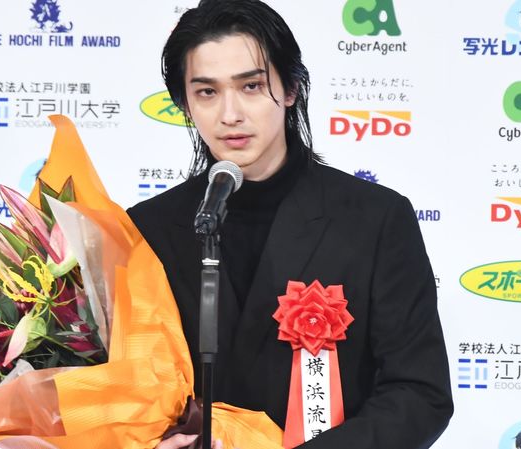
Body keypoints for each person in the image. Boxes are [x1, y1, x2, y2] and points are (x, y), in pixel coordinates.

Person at [126, 0, 453, 447]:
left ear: (292, 89)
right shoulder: (147, 229)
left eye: (251, 86)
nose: (230, 114)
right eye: (207, 92)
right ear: (184, 104)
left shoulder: (375, 219)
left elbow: (419, 393)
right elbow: (124, 388)